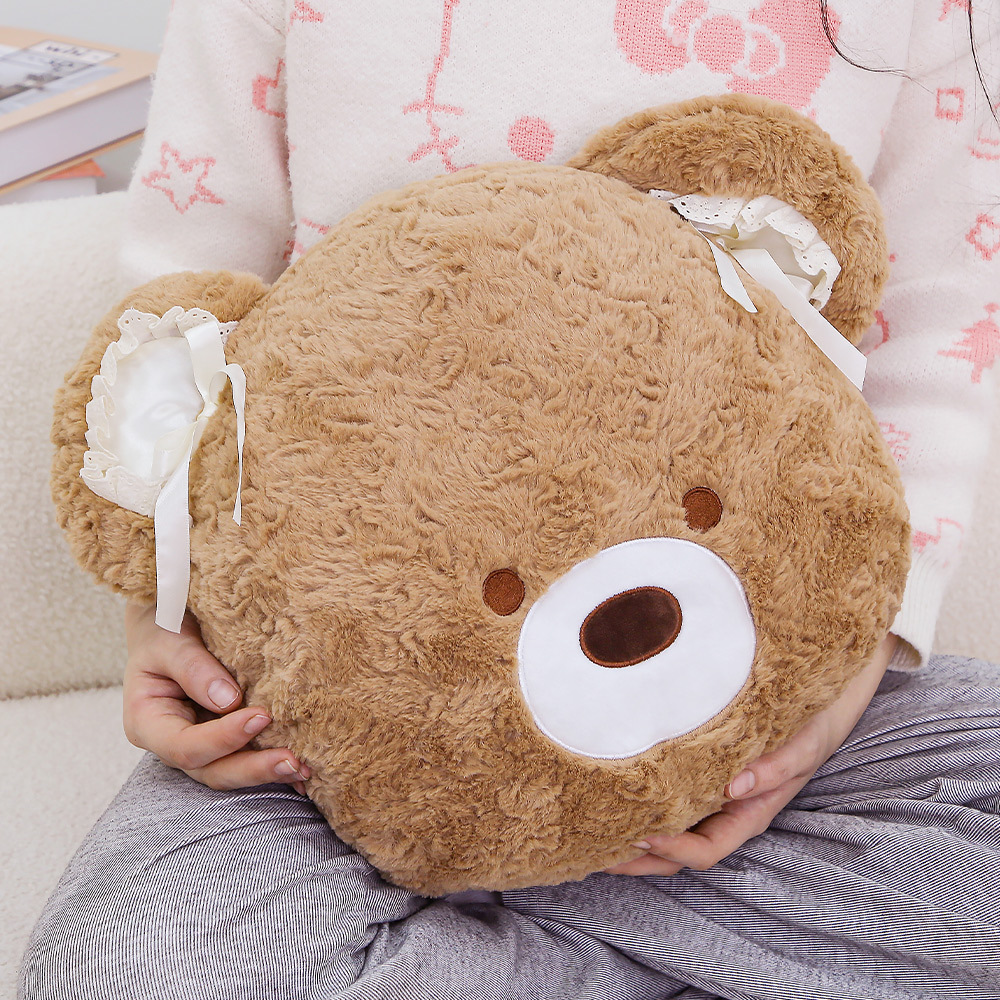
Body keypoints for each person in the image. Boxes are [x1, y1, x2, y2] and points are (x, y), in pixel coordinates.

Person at [20, 1, 1000, 997]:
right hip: (372, 706)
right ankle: (601, 910)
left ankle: (496, 914)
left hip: (770, 683)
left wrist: (851, 676)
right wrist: (160, 611)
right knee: (124, 973)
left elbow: (935, 323)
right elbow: (181, 316)